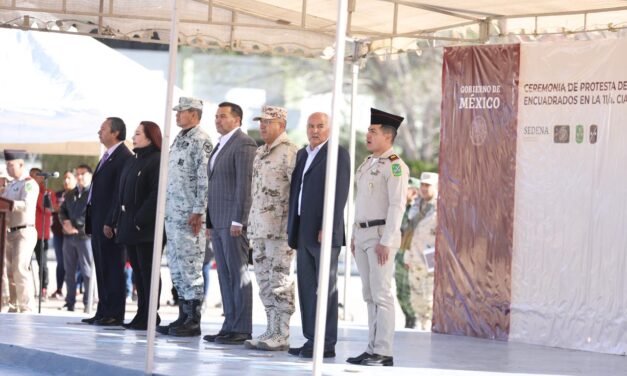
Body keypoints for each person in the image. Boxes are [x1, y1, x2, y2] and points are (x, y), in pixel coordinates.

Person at [347, 108, 409, 367]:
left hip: (380, 235)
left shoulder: (395, 165)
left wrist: (387, 240)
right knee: (369, 294)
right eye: (368, 131)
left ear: (387, 136)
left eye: (373, 132)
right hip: (362, 233)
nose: (367, 135)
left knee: (382, 294)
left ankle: (384, 351)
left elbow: (397, 205)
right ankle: (371, 347)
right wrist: (353, 233)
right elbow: (361, 202)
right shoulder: (367, 163)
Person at [286, 112, 351, 359]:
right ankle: (311, 339)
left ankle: (326, 343)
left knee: (326, 290)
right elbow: (296, 191)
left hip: (323, 232)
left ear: (330, 128)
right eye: (311, 126)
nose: (315, 131)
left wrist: (328, 225)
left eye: (320, 126)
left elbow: (339, 194)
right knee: (306, 288)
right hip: (302, 230)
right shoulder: (303, 154)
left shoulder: (337, 153)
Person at [243, 105, 297, 351]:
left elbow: (296, 193)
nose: (262, 126)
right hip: (259, 229)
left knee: (280, 282)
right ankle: (271, 329)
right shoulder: (261, 152)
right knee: (264, 283)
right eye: (261, 122)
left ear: (281, 125)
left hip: (279, 231)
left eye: (268, 122)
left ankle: (282, 333)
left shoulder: (290, 152)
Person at [202, 102, 257, 345]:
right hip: (218, 220)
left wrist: (239, 219)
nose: (217, 120)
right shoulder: (221, 144)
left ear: (237, 120)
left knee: (238, 275)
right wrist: (210, 221)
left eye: (223, 116)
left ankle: (242, 328)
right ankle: (229, 325)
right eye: (216, 116)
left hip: (233, 221)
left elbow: (244, 186)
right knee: (224, 275)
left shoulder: (244, 143)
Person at [158, 97, 212, 337]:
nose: (177, 116)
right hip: (173, 215)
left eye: (181, 112)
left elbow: (204, 179)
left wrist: (199, 210)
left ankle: (193, 320)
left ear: (194, 114)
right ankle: (182, 316)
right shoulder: (180, 139)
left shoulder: (201, 141)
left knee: (191, 266)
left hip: (190, 216)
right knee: (177, 267)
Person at [83, 117, 133, 326]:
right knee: (102, 266)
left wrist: (112, 221)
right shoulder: (108, 156)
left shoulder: (123, 157)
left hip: (110, 223)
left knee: (112, 266)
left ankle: (114, 312)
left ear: (115, 132)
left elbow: (119, 194)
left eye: (103, 129)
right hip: (97, 219)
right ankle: (103, 310)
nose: (99, 132)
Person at [115, 121, 163, 330]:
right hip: (130, 226)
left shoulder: (157, 160)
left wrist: (139, 219)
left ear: (150, 137)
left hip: (147, 229)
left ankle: (151, 313)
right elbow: (122, 193)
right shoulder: (134, 160)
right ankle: (141, 312)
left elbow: (155, 194)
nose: (133, 137)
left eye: (137, 134)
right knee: (137, 272)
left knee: (148, 272)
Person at [1, 149, 39, 313]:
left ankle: (26, 307)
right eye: (7, 165)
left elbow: (26, 204)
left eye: (11, 165)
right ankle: (13, 305)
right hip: (8, 231)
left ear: (21, 165)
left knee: (20, 268)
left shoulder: (29, 183)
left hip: (24, 232)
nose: (8, 168)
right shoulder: (11, 184)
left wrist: (8, 203)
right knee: (9, 271)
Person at [404, 172, 438, 331]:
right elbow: (410, 231)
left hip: (431, 259)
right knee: (416, 297)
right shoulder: (416, 206)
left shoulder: (440, 208)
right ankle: (421, 326)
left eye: (428, 185)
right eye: (422, 185)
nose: (424, 188)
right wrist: (407, 254)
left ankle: (429, 327)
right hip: (414, 257)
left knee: (429, 297)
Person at [59, 164, 94, 312]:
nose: (79, 176)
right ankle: (70, 301)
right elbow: (62, 211)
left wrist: (77, 227)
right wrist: (65, 223)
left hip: (85, 237)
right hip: (69, 238)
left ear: (90, 176)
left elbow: (92, 214)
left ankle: (88, 302)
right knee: (69, 271)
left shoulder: (94, 193)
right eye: (78, 174)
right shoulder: (70, 194)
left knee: (87, 271)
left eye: (83, 174)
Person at [395, 177, 421, 329]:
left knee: (411, 290)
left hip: (411, 256)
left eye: (408, 189)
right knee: (400, 291)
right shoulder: (400, 208)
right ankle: (409, 319)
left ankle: (414, 320)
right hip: (399, 254)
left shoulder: (417, 210)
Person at [29, 167, 58, 301]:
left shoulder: (48, 193)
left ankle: (43, 289)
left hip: (41, 234)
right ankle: (28, 290)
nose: (33, 179)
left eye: (36, 176)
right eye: (31, 176)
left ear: (42, 177)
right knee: (24, 264)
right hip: (27, 233)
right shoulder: (27, 190)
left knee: (43, 264)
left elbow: (48, 210)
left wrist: (37, 194)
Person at [49, 171, 77, 300]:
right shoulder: (58, 194)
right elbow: (53, 207)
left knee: (76, 264)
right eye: (65, 178)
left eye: (69, 178)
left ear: (75, 180)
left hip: (75, 234)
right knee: (61, 263)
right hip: (59, 233)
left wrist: (61, 208)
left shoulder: (79, 194)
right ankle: (59, 289)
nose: (66, 181)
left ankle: (74, 291)